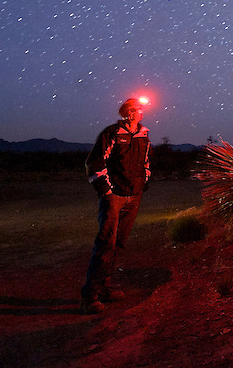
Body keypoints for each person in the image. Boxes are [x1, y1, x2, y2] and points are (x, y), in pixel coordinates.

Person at [80, 97, 152, 314]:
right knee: (105, 244)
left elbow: (146, 163)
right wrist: (107, 191)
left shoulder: (143, 136)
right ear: (129, 113)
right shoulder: (112, 134)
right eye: (138, 109)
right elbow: (94, 162)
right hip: (114, 197)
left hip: (133, 197)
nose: (142, 112)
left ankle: (105, 288)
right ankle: (90, 295)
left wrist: (143, 182)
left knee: (118, 244)